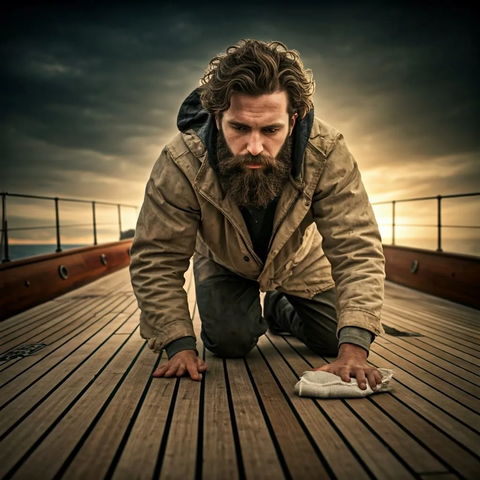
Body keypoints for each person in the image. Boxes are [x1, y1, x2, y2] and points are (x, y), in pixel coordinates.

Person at [129, 39, 386, 391]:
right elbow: (157, 255)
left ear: (292, 121)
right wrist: (178, 345)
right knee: (229, 343)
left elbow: (356, 245)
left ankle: (279, 307)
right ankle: (245, 311)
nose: (254, 147)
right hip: (223, 261)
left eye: (270, 130)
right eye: (239, 128)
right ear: (218, 118)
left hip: (300, 259)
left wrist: (355, 350)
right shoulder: (181, 161)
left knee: (336, 337)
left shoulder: (326, 152)